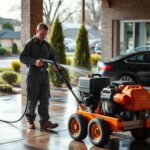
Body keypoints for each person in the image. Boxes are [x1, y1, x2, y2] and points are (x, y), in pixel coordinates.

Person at [20, 23, 58, 130]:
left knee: (44, 98)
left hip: (44, 75)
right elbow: (22, 57)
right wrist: (34, 62)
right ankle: (30, 121)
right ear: (36, 31)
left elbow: (52, 57)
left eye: (45, 34)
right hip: (33, 74)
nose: (43, 36)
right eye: (41, 33)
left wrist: (55, 64)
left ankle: (44, 122)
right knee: (32, 99)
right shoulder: (30, 44)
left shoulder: (47, 45)